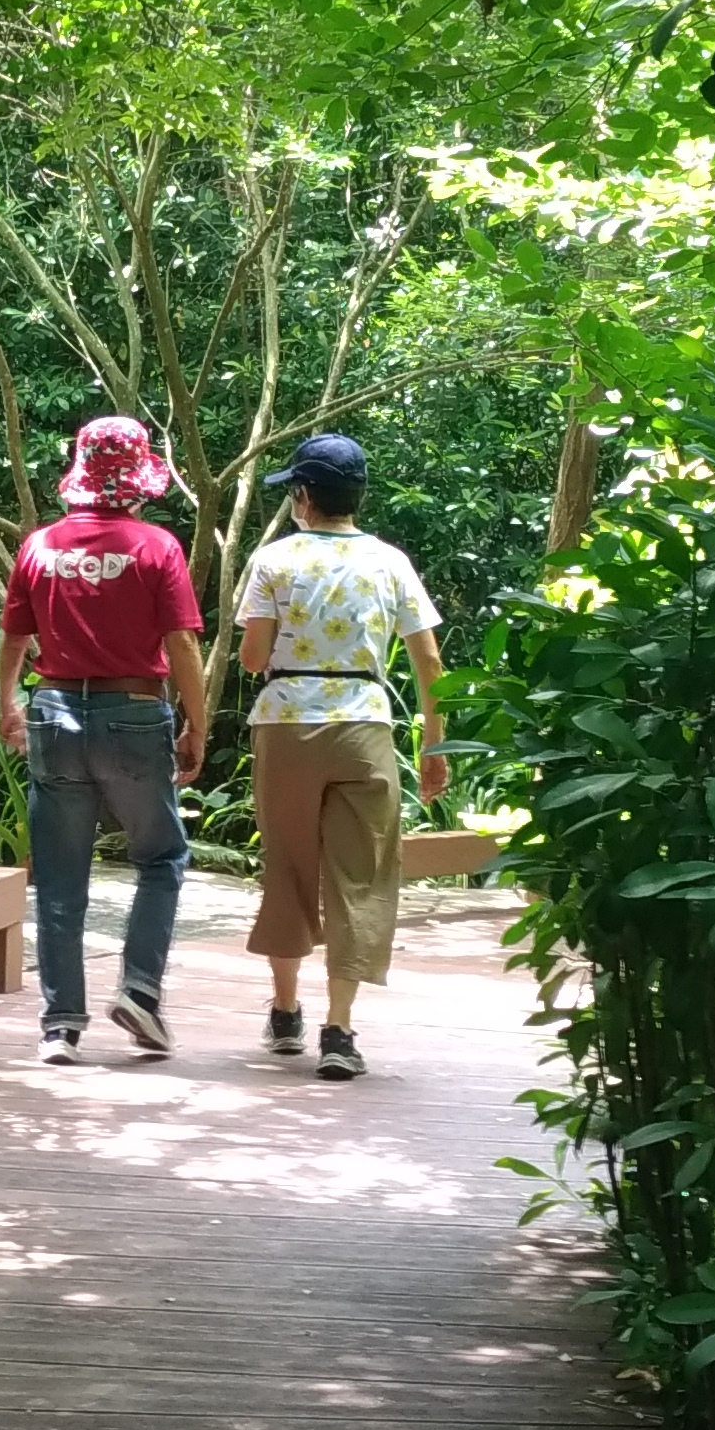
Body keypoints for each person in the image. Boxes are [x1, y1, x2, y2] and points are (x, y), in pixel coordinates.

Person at [0, 417, 210, 1062]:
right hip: (135, 712)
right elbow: (181, 643)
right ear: (138, 482)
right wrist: (198, 724)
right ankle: (139, 991)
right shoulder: (156, 546)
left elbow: (14, 638)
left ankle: (60, 1027)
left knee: (60, 878)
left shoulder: (40, 546)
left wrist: (8, 703)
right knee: (161, 858)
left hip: (55, 709)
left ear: (81, 476)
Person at [231, 430, 445, 1078]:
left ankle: (285, 1013)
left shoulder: (274, 560)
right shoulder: (390, 562)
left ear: (303, 495)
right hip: (364, 725)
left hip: (286, 726)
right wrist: (434, 744)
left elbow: (253, 658)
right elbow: (430, 662)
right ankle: (340, 1029)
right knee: (363, 873)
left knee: (288, 864)